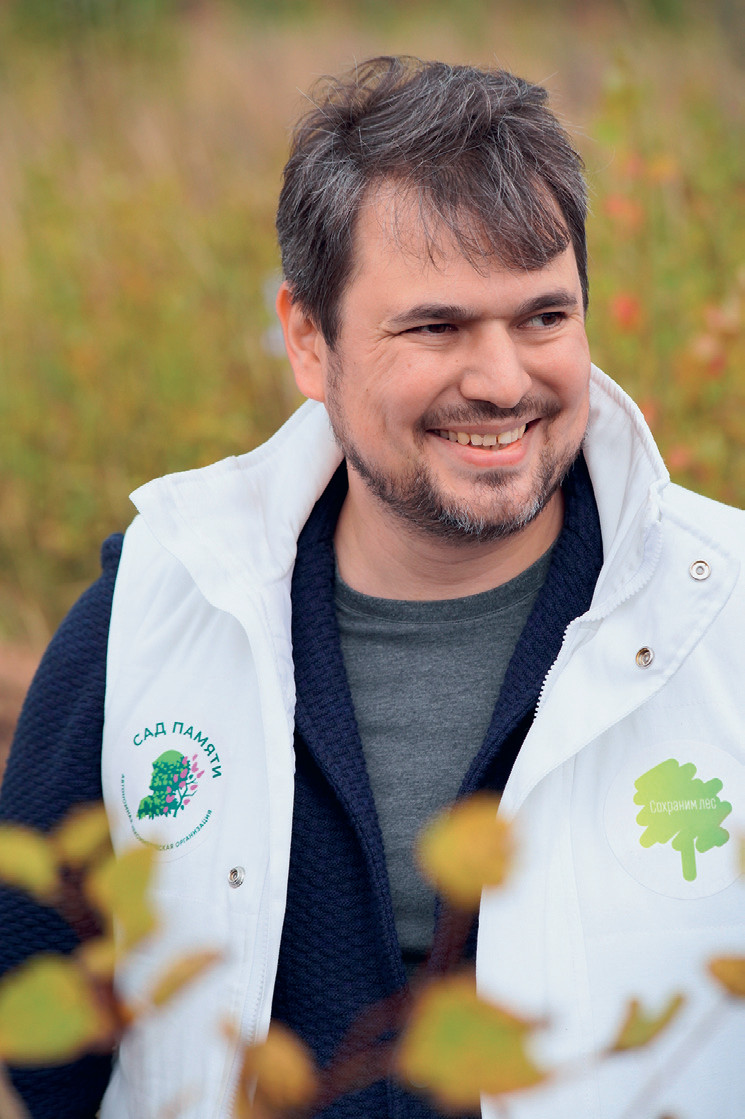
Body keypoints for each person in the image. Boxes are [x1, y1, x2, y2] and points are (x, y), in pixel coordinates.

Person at [1, 55, 743, 1119]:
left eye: (543, 317)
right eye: (436, 327)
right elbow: (35, 1025)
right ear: (308, 339)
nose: (502, 380)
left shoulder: (725, 616)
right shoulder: (158, 609)